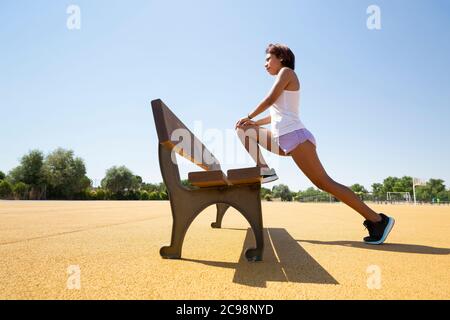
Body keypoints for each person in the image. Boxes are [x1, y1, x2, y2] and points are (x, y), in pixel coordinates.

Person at [234, 43, 395, 245]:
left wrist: (248, 115)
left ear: (281, 58)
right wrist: (253, 122)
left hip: (296, 137)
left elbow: (269, 99)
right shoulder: (281, 79)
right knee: (244, 129)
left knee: (324, 183)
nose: (265, 64)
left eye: (268, 59)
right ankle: (264, 169)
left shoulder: (287, 73)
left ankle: (378, 220)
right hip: (282, 139)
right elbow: (274, 113)